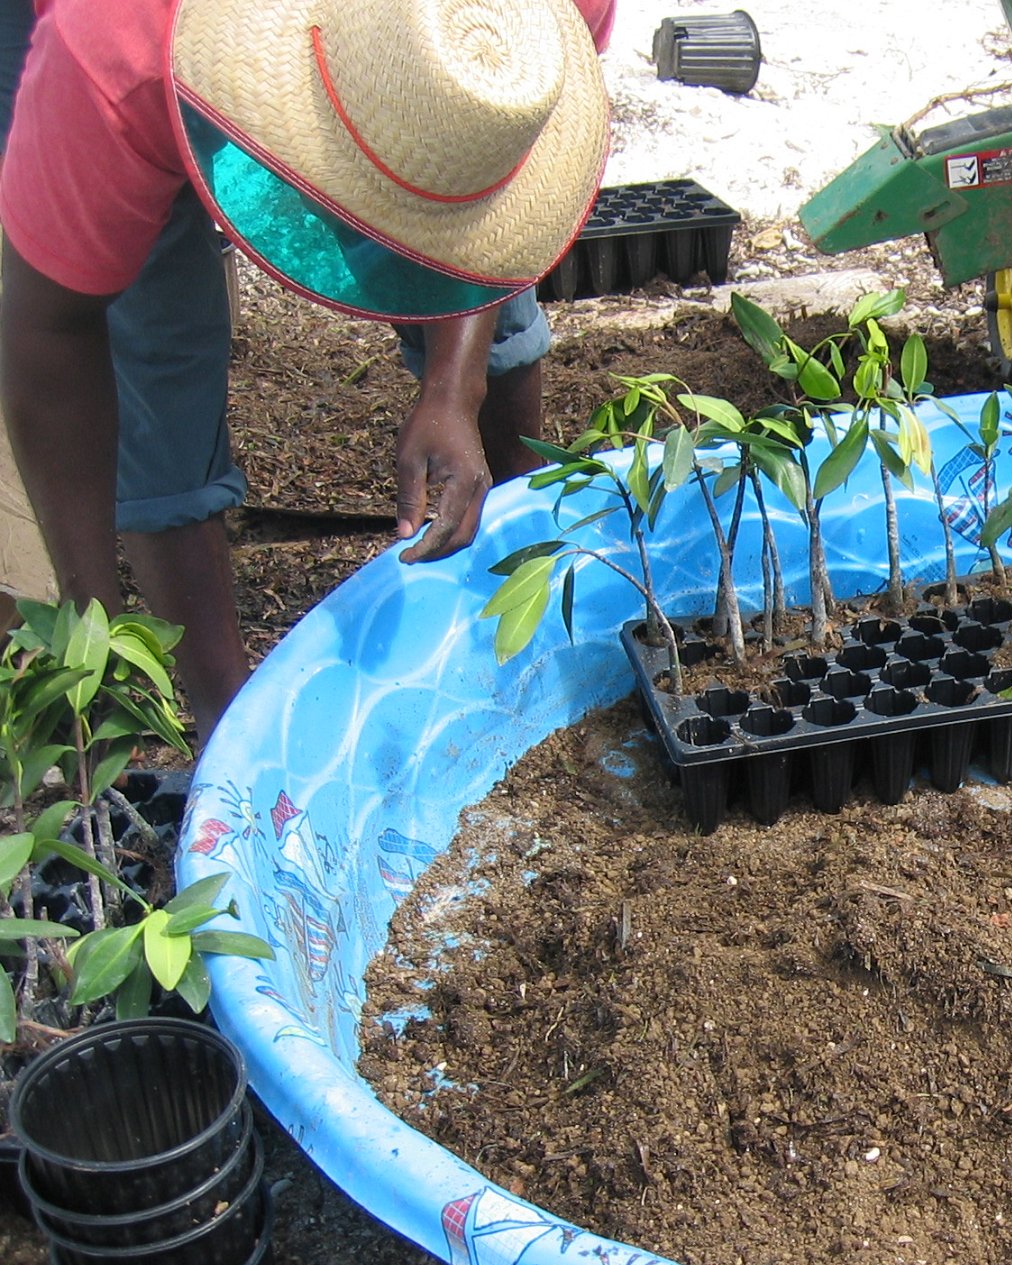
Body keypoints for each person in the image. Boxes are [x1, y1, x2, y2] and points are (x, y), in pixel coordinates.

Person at [0, 0, 614, 740]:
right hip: (135, 72)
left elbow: (499, 200)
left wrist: (455, 386)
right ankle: (226, 725)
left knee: (475, 236)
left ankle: (517, 592)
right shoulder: (117, 55)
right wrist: (86, 637)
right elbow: (51, 329)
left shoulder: (536, 35)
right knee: (152, 345)